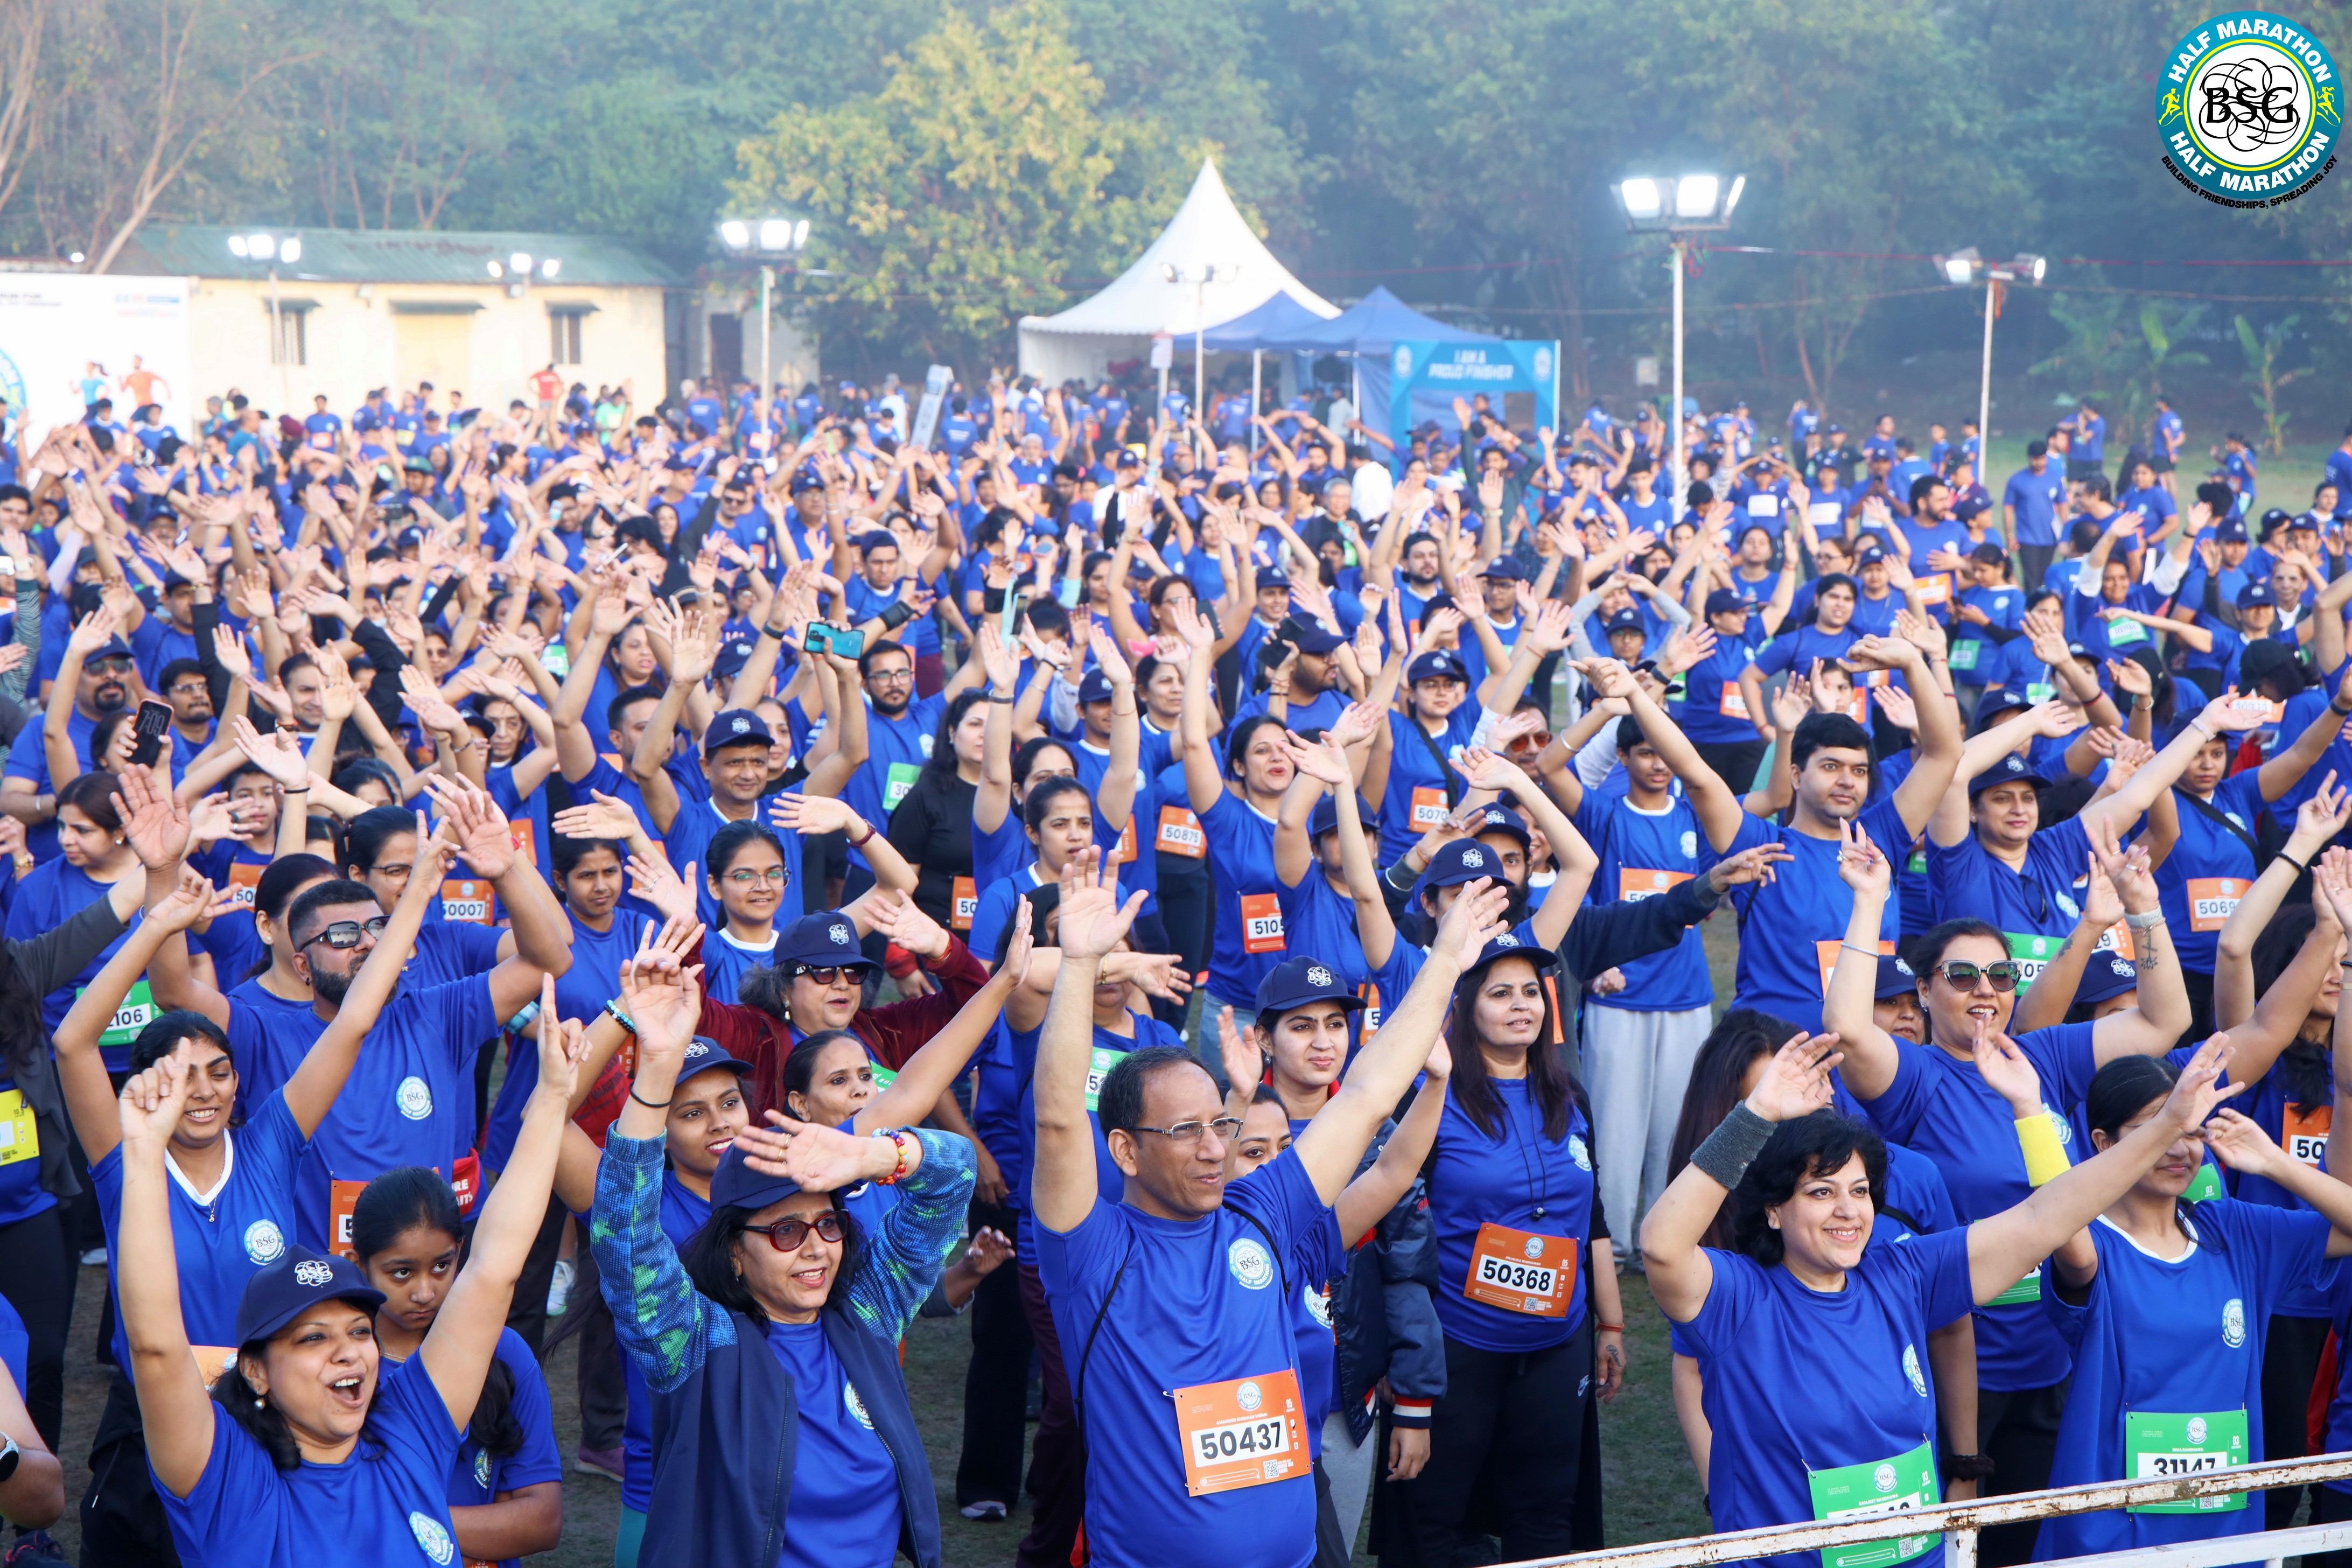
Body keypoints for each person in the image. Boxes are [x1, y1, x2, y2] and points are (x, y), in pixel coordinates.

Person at [1030, 849, 1508, 1568]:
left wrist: (1443, 963)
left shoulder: (1262, 1213)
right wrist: (1077, 966)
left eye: (1219, 1124)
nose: (1213, 1148)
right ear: (1125, 1150)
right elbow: (1059, 1119)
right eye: (1184, 1130)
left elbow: (1369, 1093)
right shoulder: (1090, 1250)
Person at [1641, 1027, 2245, 1568]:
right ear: (1774, 1210)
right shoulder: (1737, 1298)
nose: (1848, 1210)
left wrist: (2165, 1127)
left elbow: (2045, 1217)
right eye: (1821, 1192)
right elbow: (1662, 1246)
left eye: (1859, 1191)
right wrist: (1758, 1113)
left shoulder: (1904, 1274)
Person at [117, 968, 577, 1566]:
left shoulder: (409, 1429)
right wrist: (143, 1152)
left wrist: (552, 1097)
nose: (347, 1353)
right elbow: (155, 1346)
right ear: (255, 1371)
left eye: (360, 1331)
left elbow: (493, 1268)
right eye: (313, 1337)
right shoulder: (226, 1478)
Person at [1824, 819, 2190, 1565]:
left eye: (2000, 975)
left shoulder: (2042, 1057)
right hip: (1955, 1359)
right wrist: (1869, 900)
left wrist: (2143, 908)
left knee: (2026, 1544)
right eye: (1961, 976)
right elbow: (1849, 1030)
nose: (1984, 990)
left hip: (2054, 1352)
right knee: (1946, 1546)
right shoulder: (1916, 1076)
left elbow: (2167, 1020)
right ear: (1924, 990)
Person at [589, 948, 975, 1567]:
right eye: (787, 1230)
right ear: (735, 1253)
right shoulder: (696, 1344)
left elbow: (955, 1176)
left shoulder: (869, 1314)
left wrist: (872, 1156)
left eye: (828, 1223)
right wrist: (657, 1067)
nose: (817, 1245)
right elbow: (623, 1234)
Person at [2033, 1049, 2352, 1561]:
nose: (2179, 1148)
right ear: (2104, 1143)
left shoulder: (2234, 1230)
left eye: (2191, 1129)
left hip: (2225, 1533)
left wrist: (2275, 1162)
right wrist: (2028, 1108)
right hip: (2112, 1535)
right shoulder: (2093, 1242)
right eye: (2157, 1129)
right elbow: (2052, 1220)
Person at [1377, 933, 1615, 1564]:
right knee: (1434, 1516)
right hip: (1459, 1347)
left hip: (1557, 1344)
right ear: (1465, 1007)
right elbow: (1398, 1230)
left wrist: (1612, 1324)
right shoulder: (1432, 1096)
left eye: (1532, 991)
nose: (1521, 1004)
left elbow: (1592, 1215)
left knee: (1547, 1515)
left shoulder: (1571, 1095)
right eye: (1501, 992)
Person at [351, 1170, 564, 1568]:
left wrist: (397, 1519)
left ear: (461, 1252)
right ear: (359, 1264)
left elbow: (542, 1522)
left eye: (441, 1266)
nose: (425, 1292)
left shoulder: (504, 1351)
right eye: (402, 1272)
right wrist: (492, 1523)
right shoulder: (343, 1369)